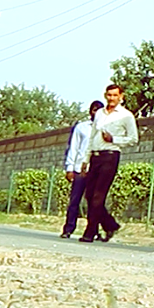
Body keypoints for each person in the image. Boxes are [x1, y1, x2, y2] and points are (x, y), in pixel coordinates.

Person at [79, 84, 138, 243]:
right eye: (109, 95)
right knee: (89, 195)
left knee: (99, 195)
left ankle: (90, 232)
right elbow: (92, 137)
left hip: (110, 156)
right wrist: (86, 159)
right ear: (106, 96)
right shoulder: (99, 113)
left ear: (121, 97)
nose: (112, 98)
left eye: (115, 95)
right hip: (96, 156)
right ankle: (109, 224)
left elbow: (133, 138)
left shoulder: (126, 116)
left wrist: (114, 139)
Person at [59, 100, 105, 238]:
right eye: (93, 109)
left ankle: (93, 231)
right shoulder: (81, 128)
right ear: (90, 111)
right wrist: (69, 168)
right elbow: (73, 148)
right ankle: (68, 229)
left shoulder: (106, 128)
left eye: (99, 110)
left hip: (97, 170)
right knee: (75, 200)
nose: (96, 112)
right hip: (80, 169)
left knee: (95, 202)